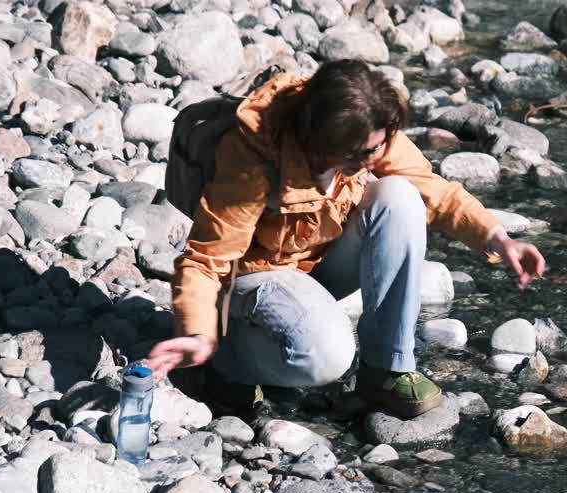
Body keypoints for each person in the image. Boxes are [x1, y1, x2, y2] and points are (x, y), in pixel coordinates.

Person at [145, 60, 546, 418]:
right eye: (365, 154)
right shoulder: (251, 161)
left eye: (379, 145)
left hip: (316, 262)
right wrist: (197, 333)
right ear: (327, 144)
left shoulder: (366, 128)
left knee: (400, 197)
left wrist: (496, 237)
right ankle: (226, 363)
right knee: (329, 356)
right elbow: (204, 260)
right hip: (255, 276)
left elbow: (431, 189)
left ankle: (386, 369)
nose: (375, 157)